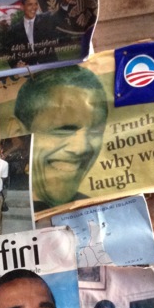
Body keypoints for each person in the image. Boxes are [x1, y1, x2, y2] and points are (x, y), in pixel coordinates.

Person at [13, 65, 108, 213]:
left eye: (96, 132)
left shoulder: (100, 210)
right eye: (63, 130)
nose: (81, 148)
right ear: (18, 133)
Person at [8, 0, 61, 67]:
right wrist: (17, 64)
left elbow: (60, 15)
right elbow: (10, 54)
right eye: (30, 4)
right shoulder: (14, 30)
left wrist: (65, 3)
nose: (34, 7)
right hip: (28, 73)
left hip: (51, 69)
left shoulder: (46, 19)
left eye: (36, 4)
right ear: (22, 7)